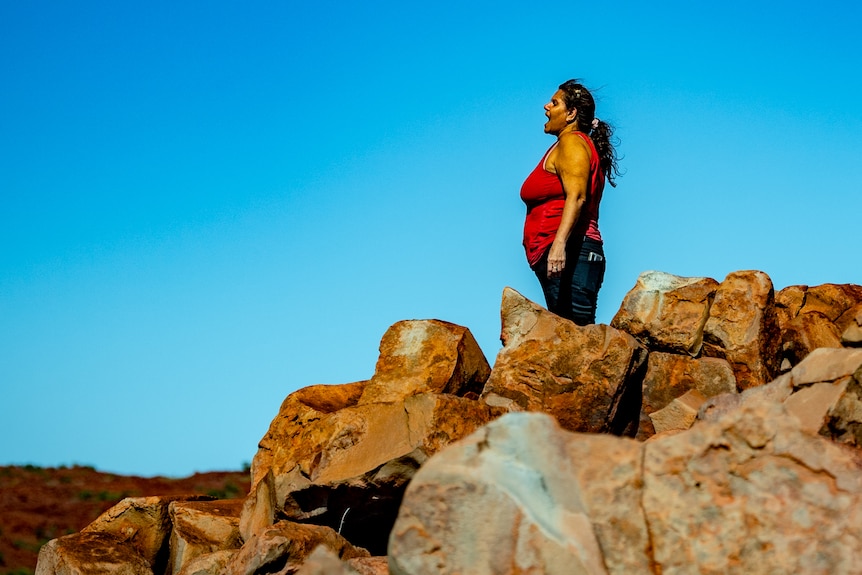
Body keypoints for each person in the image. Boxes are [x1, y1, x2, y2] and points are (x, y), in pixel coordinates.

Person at [520, 79, 620, 325]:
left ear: (571, 113)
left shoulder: (572, 142)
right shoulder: (566, 145)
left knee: (577, 342)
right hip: (568, 255)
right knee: (571, 339)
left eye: (554, 103)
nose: (546, 107)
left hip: (573, 253)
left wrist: (558, 245)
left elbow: (577, 197)